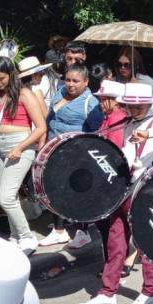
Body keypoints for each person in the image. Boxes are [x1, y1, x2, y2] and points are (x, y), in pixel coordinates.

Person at [77, 83, 153, 304]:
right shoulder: (125, 122)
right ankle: (108, 293)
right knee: (115, 241)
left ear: (149, 104)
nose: (135, 110)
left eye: (139, 106)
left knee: (144, 242)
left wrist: (150, 133)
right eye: (130, 105)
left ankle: (150, 292)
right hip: (122, 189)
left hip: (142, 190)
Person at [0, 56, 47, 254]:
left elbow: (41, 126)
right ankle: (15, 236)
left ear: (11, 74)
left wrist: (20, 147)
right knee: (11, 196)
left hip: (21, 145)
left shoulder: (25, 94)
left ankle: (27, 237)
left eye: (1, 78)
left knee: (6, 197)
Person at [41, 63, 104, 248]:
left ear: (86, 82)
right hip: (54, 150)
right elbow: (49, 121)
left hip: (77, 155)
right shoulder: (59, 94)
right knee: (54, 189)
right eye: (68, 80)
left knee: (76, 193)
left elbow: (96, 131)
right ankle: (59, 230)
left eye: (76, 81)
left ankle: (82, 232)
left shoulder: (90, 103)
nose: (70, 84)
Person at [114, 47, 153, 113]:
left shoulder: (146, 81)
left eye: (126, 65)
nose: (122, 67)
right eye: (119, 64)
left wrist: (136, 90)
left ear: (135, 64)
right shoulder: (116, 81)